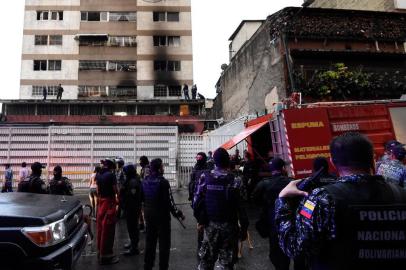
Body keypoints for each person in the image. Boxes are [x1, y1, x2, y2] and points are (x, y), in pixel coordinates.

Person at [275, 132, 406, 270]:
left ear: (332, 161)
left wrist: (283, 200)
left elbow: (295, 247)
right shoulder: (401, 195)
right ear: (373, 159)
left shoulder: (320, 199)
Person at [193, 148, 248, 270]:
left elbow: (196, 201)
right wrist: (244, 229)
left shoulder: (204, 177)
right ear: (228, 161)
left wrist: (201, 220)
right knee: (226, 263)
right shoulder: (236, 180)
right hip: (229, 226)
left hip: (210, 225)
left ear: (214, 161)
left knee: (206, 261)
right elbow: (242, 208)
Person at [253, 158, 303, 270]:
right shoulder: (292, 182)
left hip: (274, 225)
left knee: (278, 258)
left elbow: (254, 200)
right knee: (298, 256)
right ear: (283, 168)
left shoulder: (263, 184)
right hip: (292, 223)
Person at [142, 158, 185, 270]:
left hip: (149, 215)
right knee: (164, 245)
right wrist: (178, 214)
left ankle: (148, 266)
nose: (163, 168)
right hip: (162, 218)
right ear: (159, 168)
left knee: (150, 243)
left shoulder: (145, 180)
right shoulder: (163, 182)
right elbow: (170, 202)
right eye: (162, 166)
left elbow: (142, 199)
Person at [96, 158, 119, 265]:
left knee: (100, 227)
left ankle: (99, 251)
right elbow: (115, 189)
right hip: (109, 202)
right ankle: (106, 256)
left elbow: (97, 190)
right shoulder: (111, 175)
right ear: (111, 166)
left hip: (101, 202)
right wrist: (119, 198)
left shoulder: (98, 174)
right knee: (108, 229)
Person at [122, 164, 142, 256]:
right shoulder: (131, 179)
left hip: (132, 208)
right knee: (131, 227)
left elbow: (133, 196)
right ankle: (133, 244)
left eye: (126, 172)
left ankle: (134, 248)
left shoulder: (133, 181)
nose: (124, 173)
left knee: (133, 227)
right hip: (131, 207)